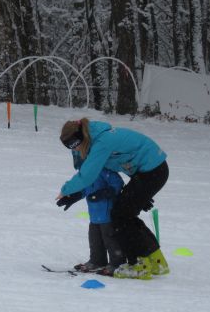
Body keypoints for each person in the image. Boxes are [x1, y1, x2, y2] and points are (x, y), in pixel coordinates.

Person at [57, 118, 170, 279]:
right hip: (148, 172)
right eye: (72, 147)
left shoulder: (102, 142)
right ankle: (157, 261)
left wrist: (66, 190)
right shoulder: (94, 138)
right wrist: (77, 194)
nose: (77, 149)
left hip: (153, 171)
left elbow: (88, 174)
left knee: (120, 216)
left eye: (77, 144)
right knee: (125, 213)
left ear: (82, 136)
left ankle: (139, 264)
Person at [66, 168, 125, 274]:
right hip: (94, 214)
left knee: (110, 239)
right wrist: (73, 196)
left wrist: (105, 192)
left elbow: (118, 182)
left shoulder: (104, 169)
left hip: (107, 214)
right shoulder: (87, 172)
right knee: (94, 238)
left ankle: (117, 264)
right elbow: (84, 189)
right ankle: (97, 261)